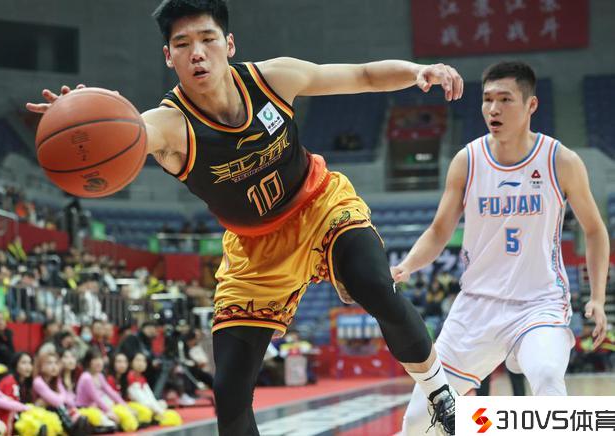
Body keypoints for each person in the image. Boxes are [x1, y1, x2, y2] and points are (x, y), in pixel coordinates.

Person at [27, 1, 464, 434]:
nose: (197, 53)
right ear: (169, 57)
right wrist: (79, 122)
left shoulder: (273, 79)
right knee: (230, 392)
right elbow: (128, 132)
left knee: (376, 286)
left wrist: (416, 71)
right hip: (255, 249)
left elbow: (363, 76)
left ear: (229, 44)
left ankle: (441, 395)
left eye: (207, 39)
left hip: (319, 205)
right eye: (183, 44)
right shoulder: (169, 126)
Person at [394, 61, 609, 434]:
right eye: (487, 99)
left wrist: (598, 298)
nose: (493, 109)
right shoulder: (468, 160)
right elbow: (439, 230)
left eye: (505, 99)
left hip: (539, 303)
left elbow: (594, 230)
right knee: (417, 421)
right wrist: (407, 265)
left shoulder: (560, 161)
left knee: (547, 379)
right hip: (477, 306)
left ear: (531, 105)